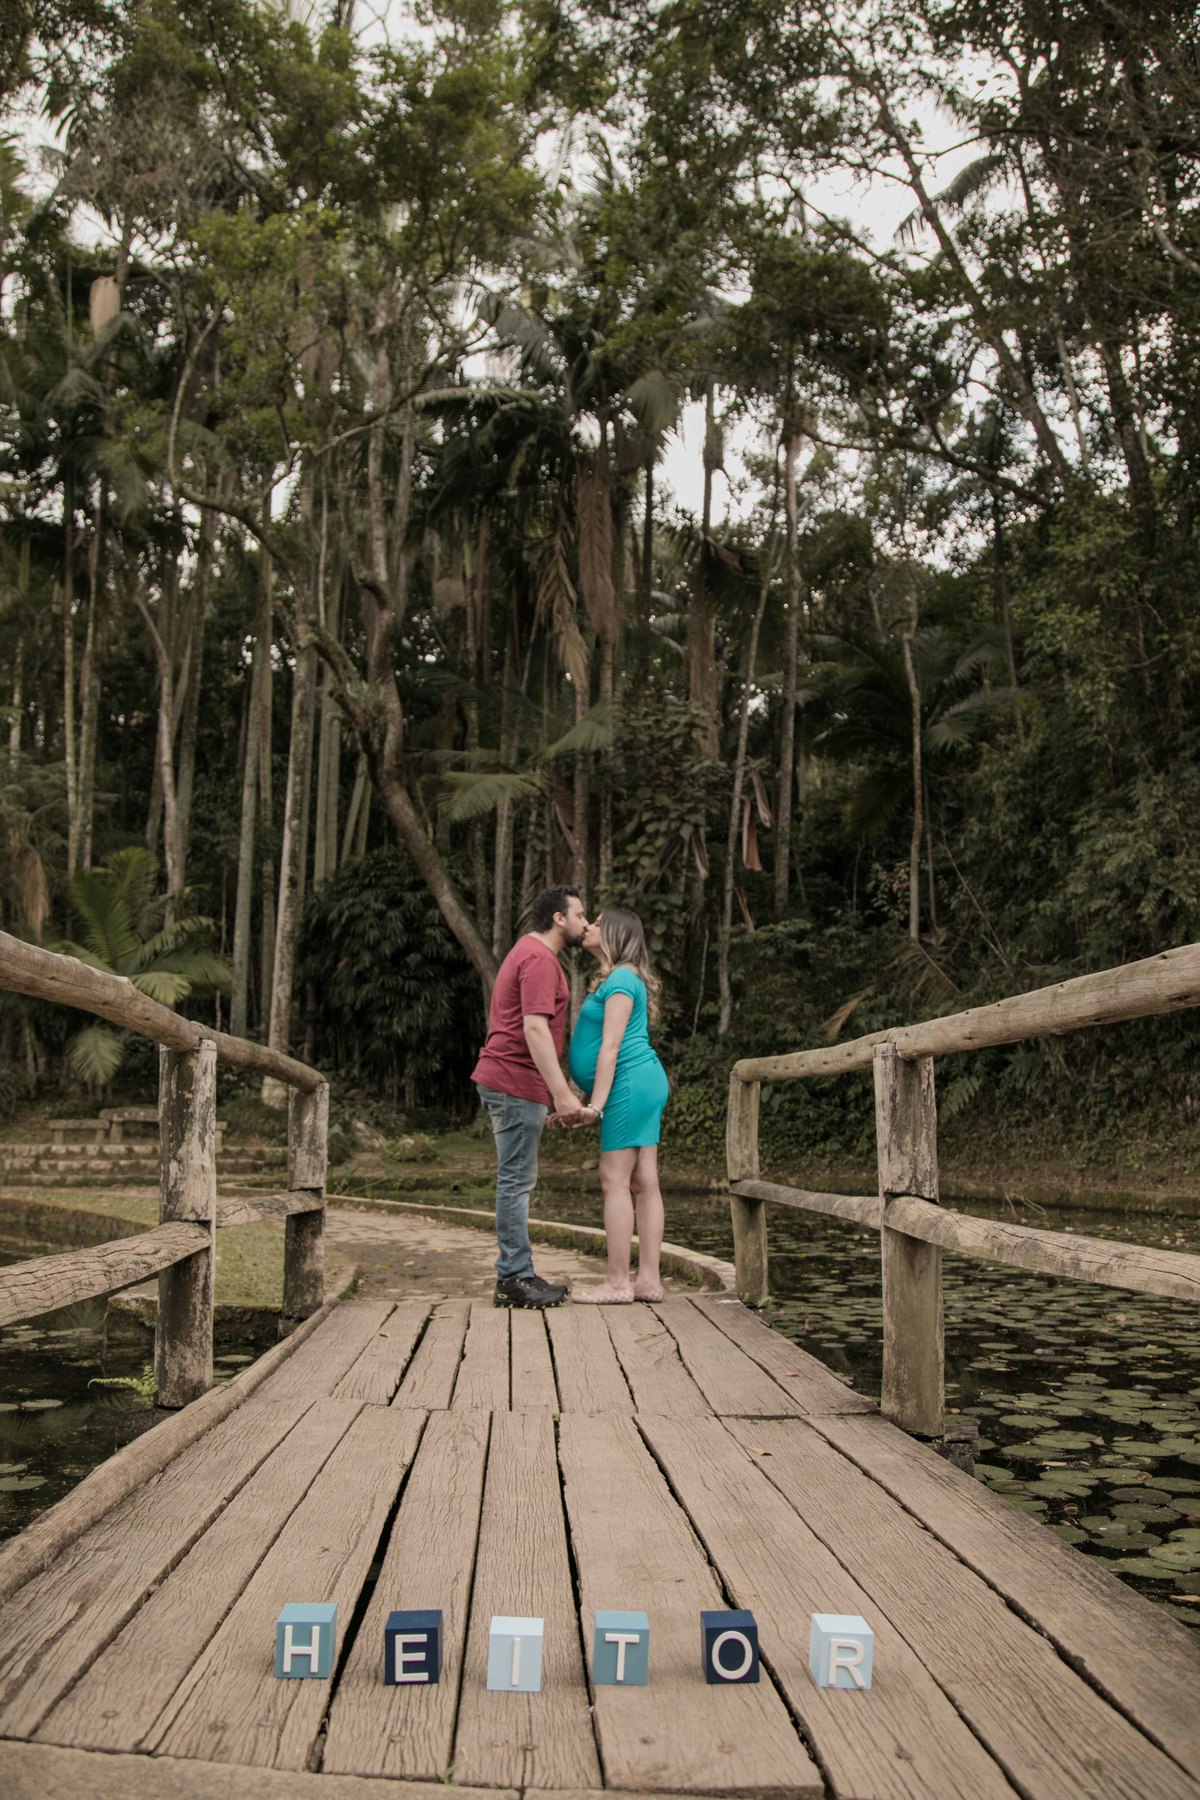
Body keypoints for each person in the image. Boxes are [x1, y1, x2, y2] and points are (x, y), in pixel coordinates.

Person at [471, 883, 588, 1309]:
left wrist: (554, 1094)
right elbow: (535, 1029)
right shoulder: (539, 958)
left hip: (514, 1081)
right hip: (513, 1080)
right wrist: (562, 1094)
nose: (584, 923)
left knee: (516, 1179)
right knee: (516, 1181)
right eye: (579, 915)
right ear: (558, 918)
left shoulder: (530, 952)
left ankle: (519, 1272)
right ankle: (513, 1279)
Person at [565, 907, 669, 1304]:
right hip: (640, 1082)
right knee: (644, 1181)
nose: (588, 926)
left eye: (596, 923)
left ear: (615, 935)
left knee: (614, 1179)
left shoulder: (623, 978)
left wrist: (596, 1106)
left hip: (629, 1082)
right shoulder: (622, 976)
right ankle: (648, 1281)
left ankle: (617, 1283)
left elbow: (610, 1047)